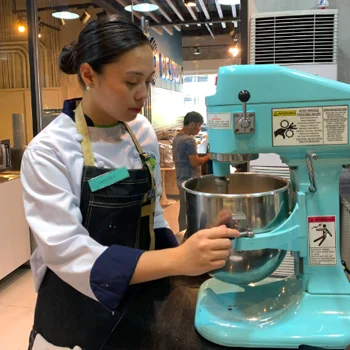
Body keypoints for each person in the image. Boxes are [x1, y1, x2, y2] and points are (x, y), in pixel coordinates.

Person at [20, 15, 239, 350]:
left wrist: (193, 245)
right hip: (76, 317)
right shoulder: (49, 151)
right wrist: (178, 260)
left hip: (139, 304)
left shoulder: (141, 133)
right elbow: (70, 254)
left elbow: (151, 218)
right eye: (131, 81)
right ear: (89, 75)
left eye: (149, 81)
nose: (142, 94)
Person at [172, 112, 210, 231]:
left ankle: (182, 231)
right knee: (191, 210)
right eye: (199, 126)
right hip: (190, 180)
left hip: (180, 178)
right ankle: (188, 233)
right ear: (193, 124)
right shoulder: (189, 140)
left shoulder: (177, 137)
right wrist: (209, 156)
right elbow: (194, 162)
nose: (199, 129)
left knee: (184, 209)